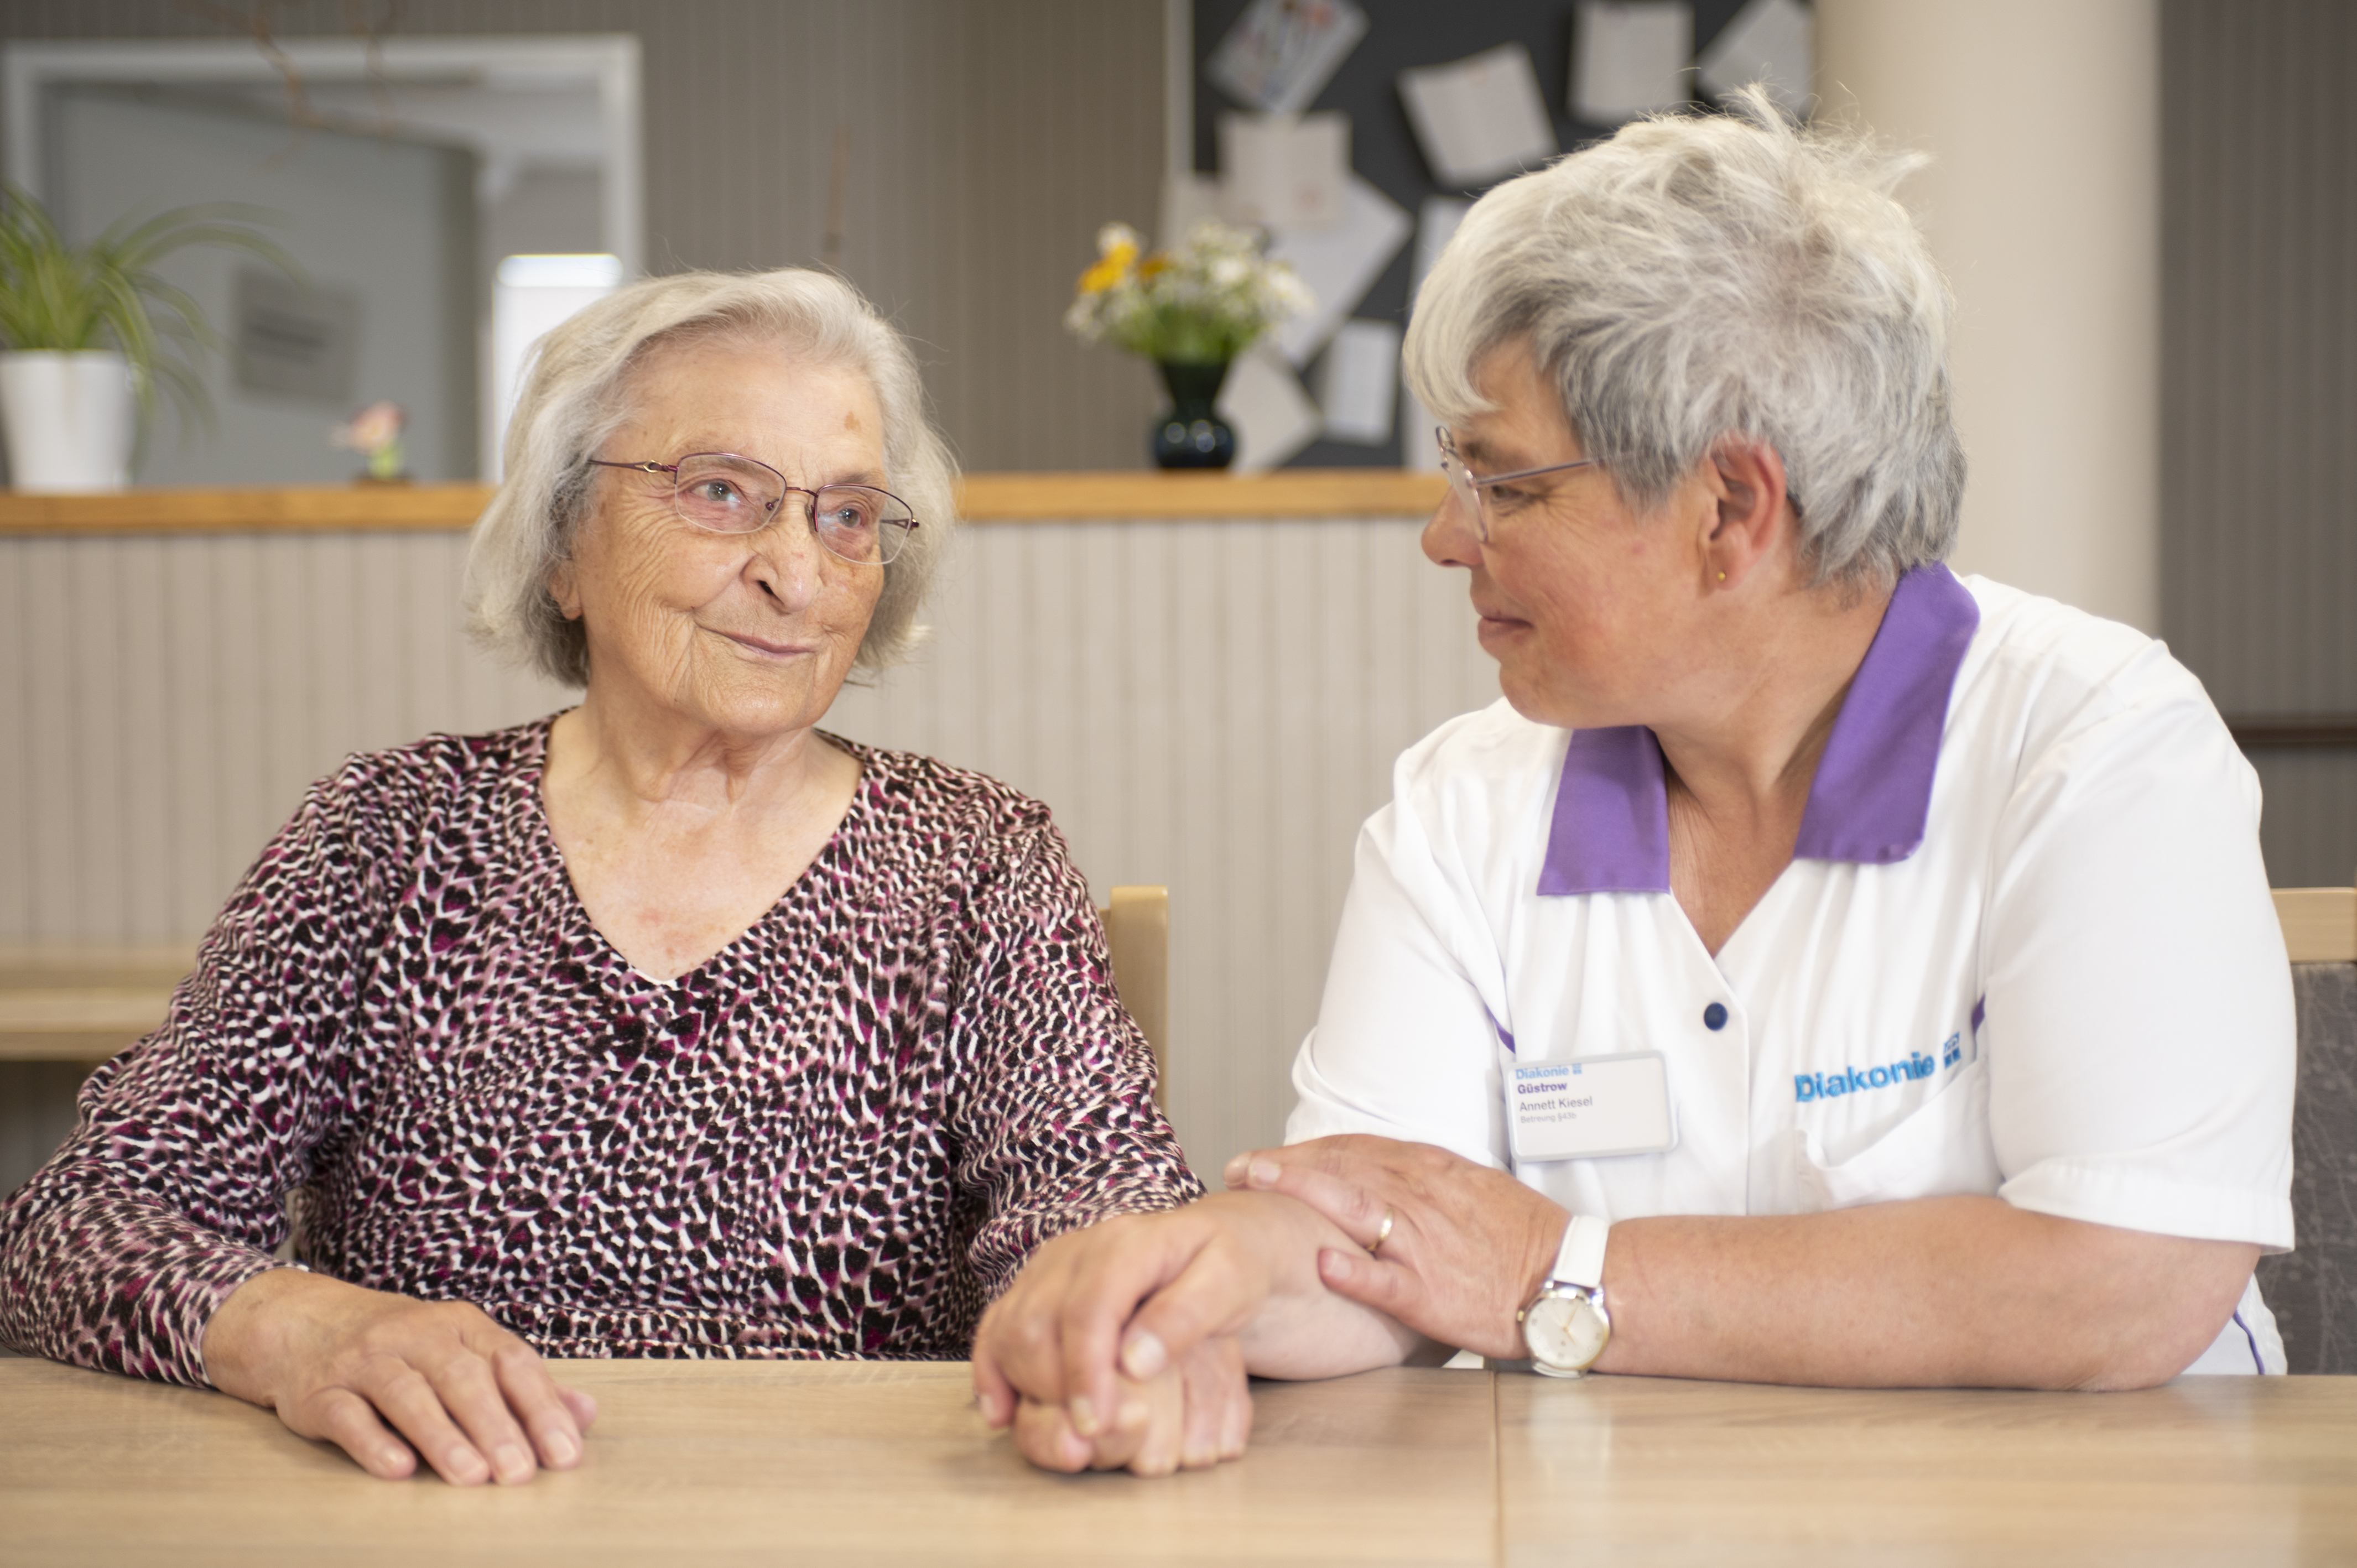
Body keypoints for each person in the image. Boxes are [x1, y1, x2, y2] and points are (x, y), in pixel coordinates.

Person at [971, 91, 2296, 1474]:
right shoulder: (1465, 800)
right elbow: (1382, 1233)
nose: (1442, 536)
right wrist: (1186, 1278)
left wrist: (1557, 1270)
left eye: (1506, 485)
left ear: (1730, 511)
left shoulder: (2097, 749)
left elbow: (2123, 1282)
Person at [0, 269, 1214, 1486]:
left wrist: (1099, 1332)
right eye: (722, 492)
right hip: (447, 1519)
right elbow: (79, 1221)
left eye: (847, 516)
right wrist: (297, 1323)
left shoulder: (980, 861)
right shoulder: (384, 836)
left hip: (856, 1522)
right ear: (562, 544)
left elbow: (1106, 1209)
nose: (797, 569)